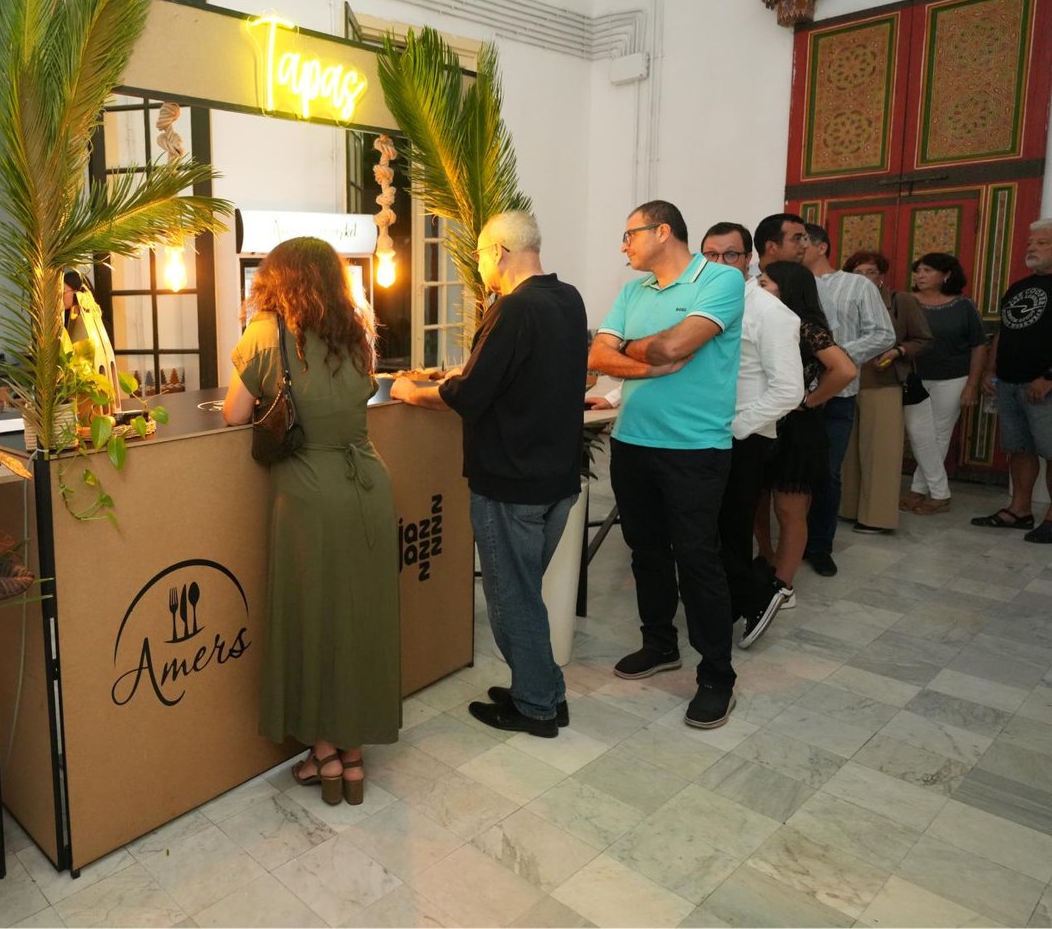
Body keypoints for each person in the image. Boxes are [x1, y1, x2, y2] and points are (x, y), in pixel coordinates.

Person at [390, 210, 585, 738]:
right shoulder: (567, 298)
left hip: (510, 483)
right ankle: (543, 689)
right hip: (557, 480)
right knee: (524, 592)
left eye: (478, 254)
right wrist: (466, 371)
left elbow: (470, 397)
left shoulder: (513, 309)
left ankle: (537, 706)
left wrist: (411, 391)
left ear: (498, 251)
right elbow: (520, 377)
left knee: (511, 598)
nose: (478, 265)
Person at [222, 236, 398, 805]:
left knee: (313, 619)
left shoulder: (265, 334)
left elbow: (234, 414)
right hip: (368, 484)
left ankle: (322, 753)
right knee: (358, 620)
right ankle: (352, 759)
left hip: (306, 492)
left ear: (274, 278)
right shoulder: (356, 330)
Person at [588, 201, 743, 729]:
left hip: (695, 448)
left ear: (662, 231)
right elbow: (597, 355)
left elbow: (679, 343)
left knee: (698, 559)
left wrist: (638, 350)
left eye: (629, 234)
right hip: (632, 442)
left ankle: (716, 677)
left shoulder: (719, 281)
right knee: (646, 552)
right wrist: (651, 363)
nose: (623, 245)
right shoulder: (634, 291)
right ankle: (659, 644)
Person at [698, 223, 803, 651]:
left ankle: (754, 598)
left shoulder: (770, 312)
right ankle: (723, 606)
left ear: (748, 260)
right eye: (710, 255)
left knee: (733, 526)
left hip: (744, 434)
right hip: (703, 430)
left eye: (731, 255)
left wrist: (738, 426)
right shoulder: (697, 303)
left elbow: (789, 390)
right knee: (709, 528)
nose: (720, 263)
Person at [755, 262, 857, 609]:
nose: (758, 287)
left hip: (797, 429)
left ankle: (784, 586)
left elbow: (844, 369)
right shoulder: (762, 321)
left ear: (787, 289)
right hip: (762, 422)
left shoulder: (805, 327)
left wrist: (808, 401)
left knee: (789, 510)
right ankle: (767, 562)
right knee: (757, 501)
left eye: (765, 283)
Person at [800, 223, 895, 574]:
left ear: (821, 246)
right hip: (792, 394)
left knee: (827, 473)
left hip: (837, 394)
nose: (797, 247)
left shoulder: (855, 285)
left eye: (802, 241)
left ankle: (820, 545)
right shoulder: (790, 283)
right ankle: (786, 540)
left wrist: (834, 355)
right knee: (790, 473)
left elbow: (883, 333)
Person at [972, 218, 1052, 542]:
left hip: (1044, 385)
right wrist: (991, 370)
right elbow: (1004, 333)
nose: (1031, 247)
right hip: (1010, 383)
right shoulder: (1018, 287)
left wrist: (1048, 377)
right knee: (1019, 449)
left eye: (1042, 242)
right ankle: (1019, 510)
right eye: (1029, 243)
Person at [841, 251, 932, 531]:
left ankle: (877, 518)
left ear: (882, 276)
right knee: (849, 453)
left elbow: (922, 339)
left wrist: (898, 351)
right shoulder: (843, 299)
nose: (866, 278)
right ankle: (848, 508)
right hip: (845, 383)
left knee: (880, 453)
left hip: (883, 383)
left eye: (872, 272)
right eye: (859, 273)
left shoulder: (900, 301)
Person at [901, 252, 989, 516]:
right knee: (918, 433)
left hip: (953, 378)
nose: (921, 275)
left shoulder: (963, 306)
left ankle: (924, 491)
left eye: (928, 270)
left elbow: (979, 345)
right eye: (918, 270)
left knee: (939, 434)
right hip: (913, 377)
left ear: (947, 275)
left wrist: (972, 385)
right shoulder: (906, 301)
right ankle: (938, 491)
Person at [751, 212, 811, 277]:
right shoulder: (744, 283)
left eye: (804, 238)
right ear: (771, 247)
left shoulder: (814, 283)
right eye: (797, 238)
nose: (805, 245)